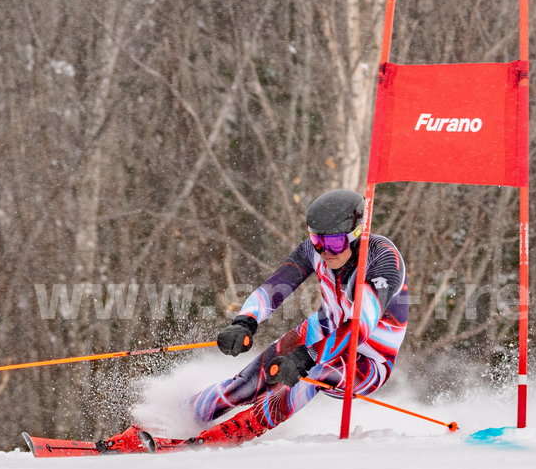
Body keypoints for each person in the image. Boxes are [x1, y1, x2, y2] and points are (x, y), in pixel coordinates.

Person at [109, 189, 408, 450]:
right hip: (321, 330)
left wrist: (308, 356)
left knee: (317, 374)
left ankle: (231, 433)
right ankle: (161, 426)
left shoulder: (383, 261)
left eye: (332, 243)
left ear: (356, 236)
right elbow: (277, 286)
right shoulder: (315, 251)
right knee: (250, 381)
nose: (323, 251)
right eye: (317, 240)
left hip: (368, 358)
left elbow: (360, 325)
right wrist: (245, 321)